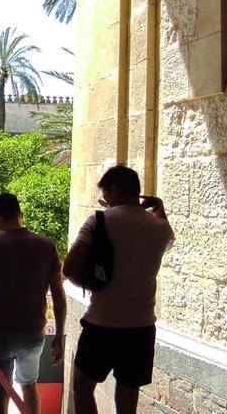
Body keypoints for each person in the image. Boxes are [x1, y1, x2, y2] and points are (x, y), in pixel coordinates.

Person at [62, 165, 174, 414]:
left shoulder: (98, 221)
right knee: (127, 396)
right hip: (142, 326)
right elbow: (168, 240)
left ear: (114, 190)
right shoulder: (160, 227)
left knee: (83, 386)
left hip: (102, 322)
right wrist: (160, 210)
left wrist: (88, 281)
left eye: (106, 193)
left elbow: (69, 268)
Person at [0, 193, 67, 414]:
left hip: (0, 331)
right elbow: (59, 296)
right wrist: (58, 336)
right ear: (20, 215)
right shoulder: (46, 245)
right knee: (29, 386)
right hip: (33, 332)